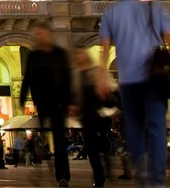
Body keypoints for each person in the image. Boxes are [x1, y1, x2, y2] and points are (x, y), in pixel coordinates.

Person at [100, 0, 170, 187]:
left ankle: (141, 170)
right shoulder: (154, 8)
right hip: (155, 76)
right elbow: (168, 37)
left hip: (129, 79)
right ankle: (157, 176)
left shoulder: (110, 14)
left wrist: (102, 76)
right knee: (157, 125)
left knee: (135, 126)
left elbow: (104, 49)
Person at [18, 20, 72, 186]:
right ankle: (44, 167)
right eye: (36, 34)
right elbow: (27, 78)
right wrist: (22, 98)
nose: (38, 37)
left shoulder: (59, 54)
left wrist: (71, 102)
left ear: (48, 34)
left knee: (59, 140)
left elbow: (68, 78)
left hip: (58, 102)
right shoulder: (34, 55)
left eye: (41, 33)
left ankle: (62, 177)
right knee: (38, 137)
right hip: (41, 102)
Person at [77, 49, 114, 188]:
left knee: (99, 148)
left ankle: (102, 176)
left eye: (81, 57)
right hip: (86, 117)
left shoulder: (95, 72)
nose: (79, 60)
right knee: (93, 151)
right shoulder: (77, 75)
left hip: (99, 117)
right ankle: (100, 178)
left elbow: (109, 91)